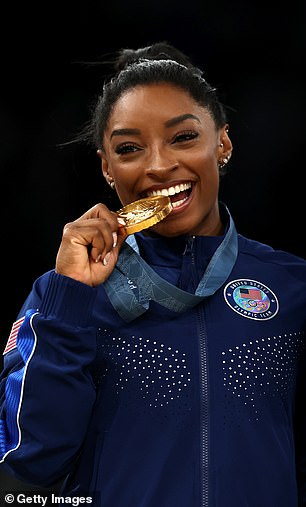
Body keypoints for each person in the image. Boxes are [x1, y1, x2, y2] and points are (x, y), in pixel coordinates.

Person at [0, 41, 305, 507]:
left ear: (222, 142)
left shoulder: (291, 285)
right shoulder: (63, 295)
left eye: (183, 138)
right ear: (107, 167)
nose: (159, 166)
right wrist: (70, 299)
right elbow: (31, 459)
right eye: (129, 148)